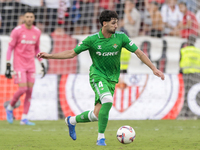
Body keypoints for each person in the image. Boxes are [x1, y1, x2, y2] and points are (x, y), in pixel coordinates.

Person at [37, 10, 165, 146]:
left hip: (112, 79)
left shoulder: (121, 37)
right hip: (97, 76)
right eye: (113, 23)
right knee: (108, 100)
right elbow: (71, 53)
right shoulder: (92, 40)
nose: (116, 26)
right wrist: (49, 56)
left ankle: (71, 121)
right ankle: (100, 138)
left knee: (96, 115)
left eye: (117, 23)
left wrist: (154, 68)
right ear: (104, 23)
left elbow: (139, 53)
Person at [5, 10, 45, 125]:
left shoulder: (37, 32)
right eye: (27, 16)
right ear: (24, 18)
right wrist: (8, 64)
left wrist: (41, 62)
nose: (29, 18)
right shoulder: (17, 31)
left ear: (33, 18)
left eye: (31, 17)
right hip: (19, 64)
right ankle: (10, 107)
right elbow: (10, 48)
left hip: (31, 65)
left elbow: (37, 48)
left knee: (30, 91)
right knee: (23, 89)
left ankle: (24, 118)